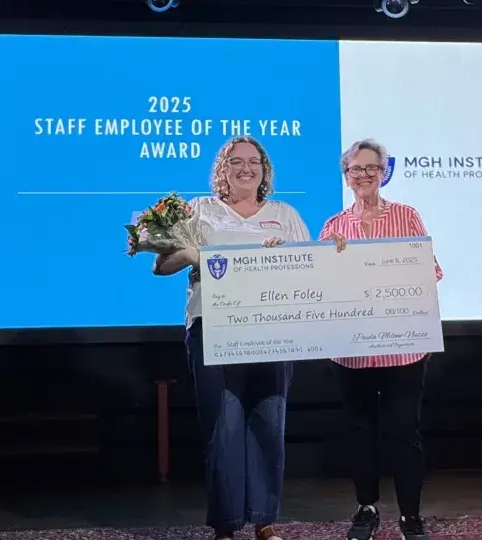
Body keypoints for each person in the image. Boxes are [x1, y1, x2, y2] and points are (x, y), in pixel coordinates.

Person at [153, 136, 311, 540]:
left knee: (269, 422)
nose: (245, 168)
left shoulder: (284, 214)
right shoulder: (200, 210)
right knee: (223, 426)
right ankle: (226, 524)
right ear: (221, 169)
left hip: (272, 330)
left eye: (253, 161)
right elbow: (162, 265)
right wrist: (190, 255)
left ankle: (265, 520)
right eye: (235, 162)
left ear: (265, 168)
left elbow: (310, 269)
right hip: (213, 327)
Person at [319, 139, 443, 540]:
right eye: (356, 169)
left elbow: (431, 272)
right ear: (346, 175)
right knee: (360, 433)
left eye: (372, 168)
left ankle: (410, 515)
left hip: (403, 347)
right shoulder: (334, 226)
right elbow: (318, 285)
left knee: (404, 432)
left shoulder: (407, 217)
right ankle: (366, 509)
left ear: (384, 172)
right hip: (352, 352)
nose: (364, 176)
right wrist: (330, 260)